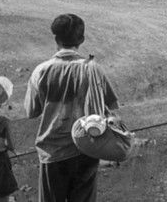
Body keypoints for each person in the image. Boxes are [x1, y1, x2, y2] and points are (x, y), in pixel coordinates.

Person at [24, 13, 119, 202]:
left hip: (53, 152)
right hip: (87, 149)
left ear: (56, 40)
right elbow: (112, 106)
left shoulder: (41, 71)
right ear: (81, 39)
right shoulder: (93, 69)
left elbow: (31, 112)